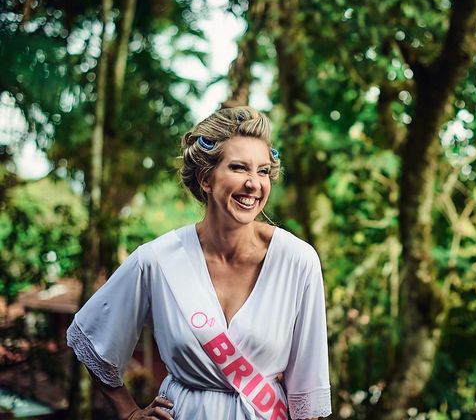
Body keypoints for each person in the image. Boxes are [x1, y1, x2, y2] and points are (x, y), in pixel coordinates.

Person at [67, 106, 332, 420]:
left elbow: (307, 392)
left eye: (262, 171)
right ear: (206, 178)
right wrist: (128, 413)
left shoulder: (297, 261)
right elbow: (91, 337)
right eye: (239, 168)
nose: (254, 184)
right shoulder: (157, 260)